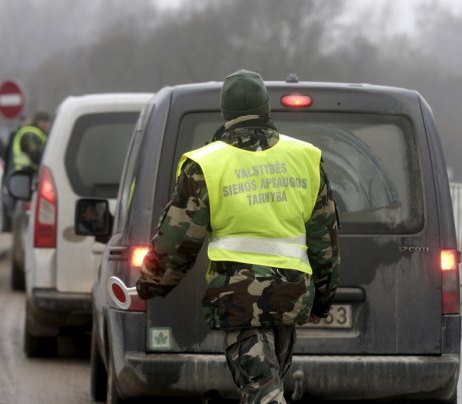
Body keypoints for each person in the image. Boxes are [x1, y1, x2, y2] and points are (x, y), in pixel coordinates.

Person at [136, 69, 340, 403]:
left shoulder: (206, 164)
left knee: (263, 393)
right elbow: (325, 241)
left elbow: (177, 243)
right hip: (291, 298)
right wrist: (323, 299)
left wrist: (149, 284)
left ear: (225, 113)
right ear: (266, 108)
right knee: (267, 388)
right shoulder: (305, 158)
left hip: (241, 299)